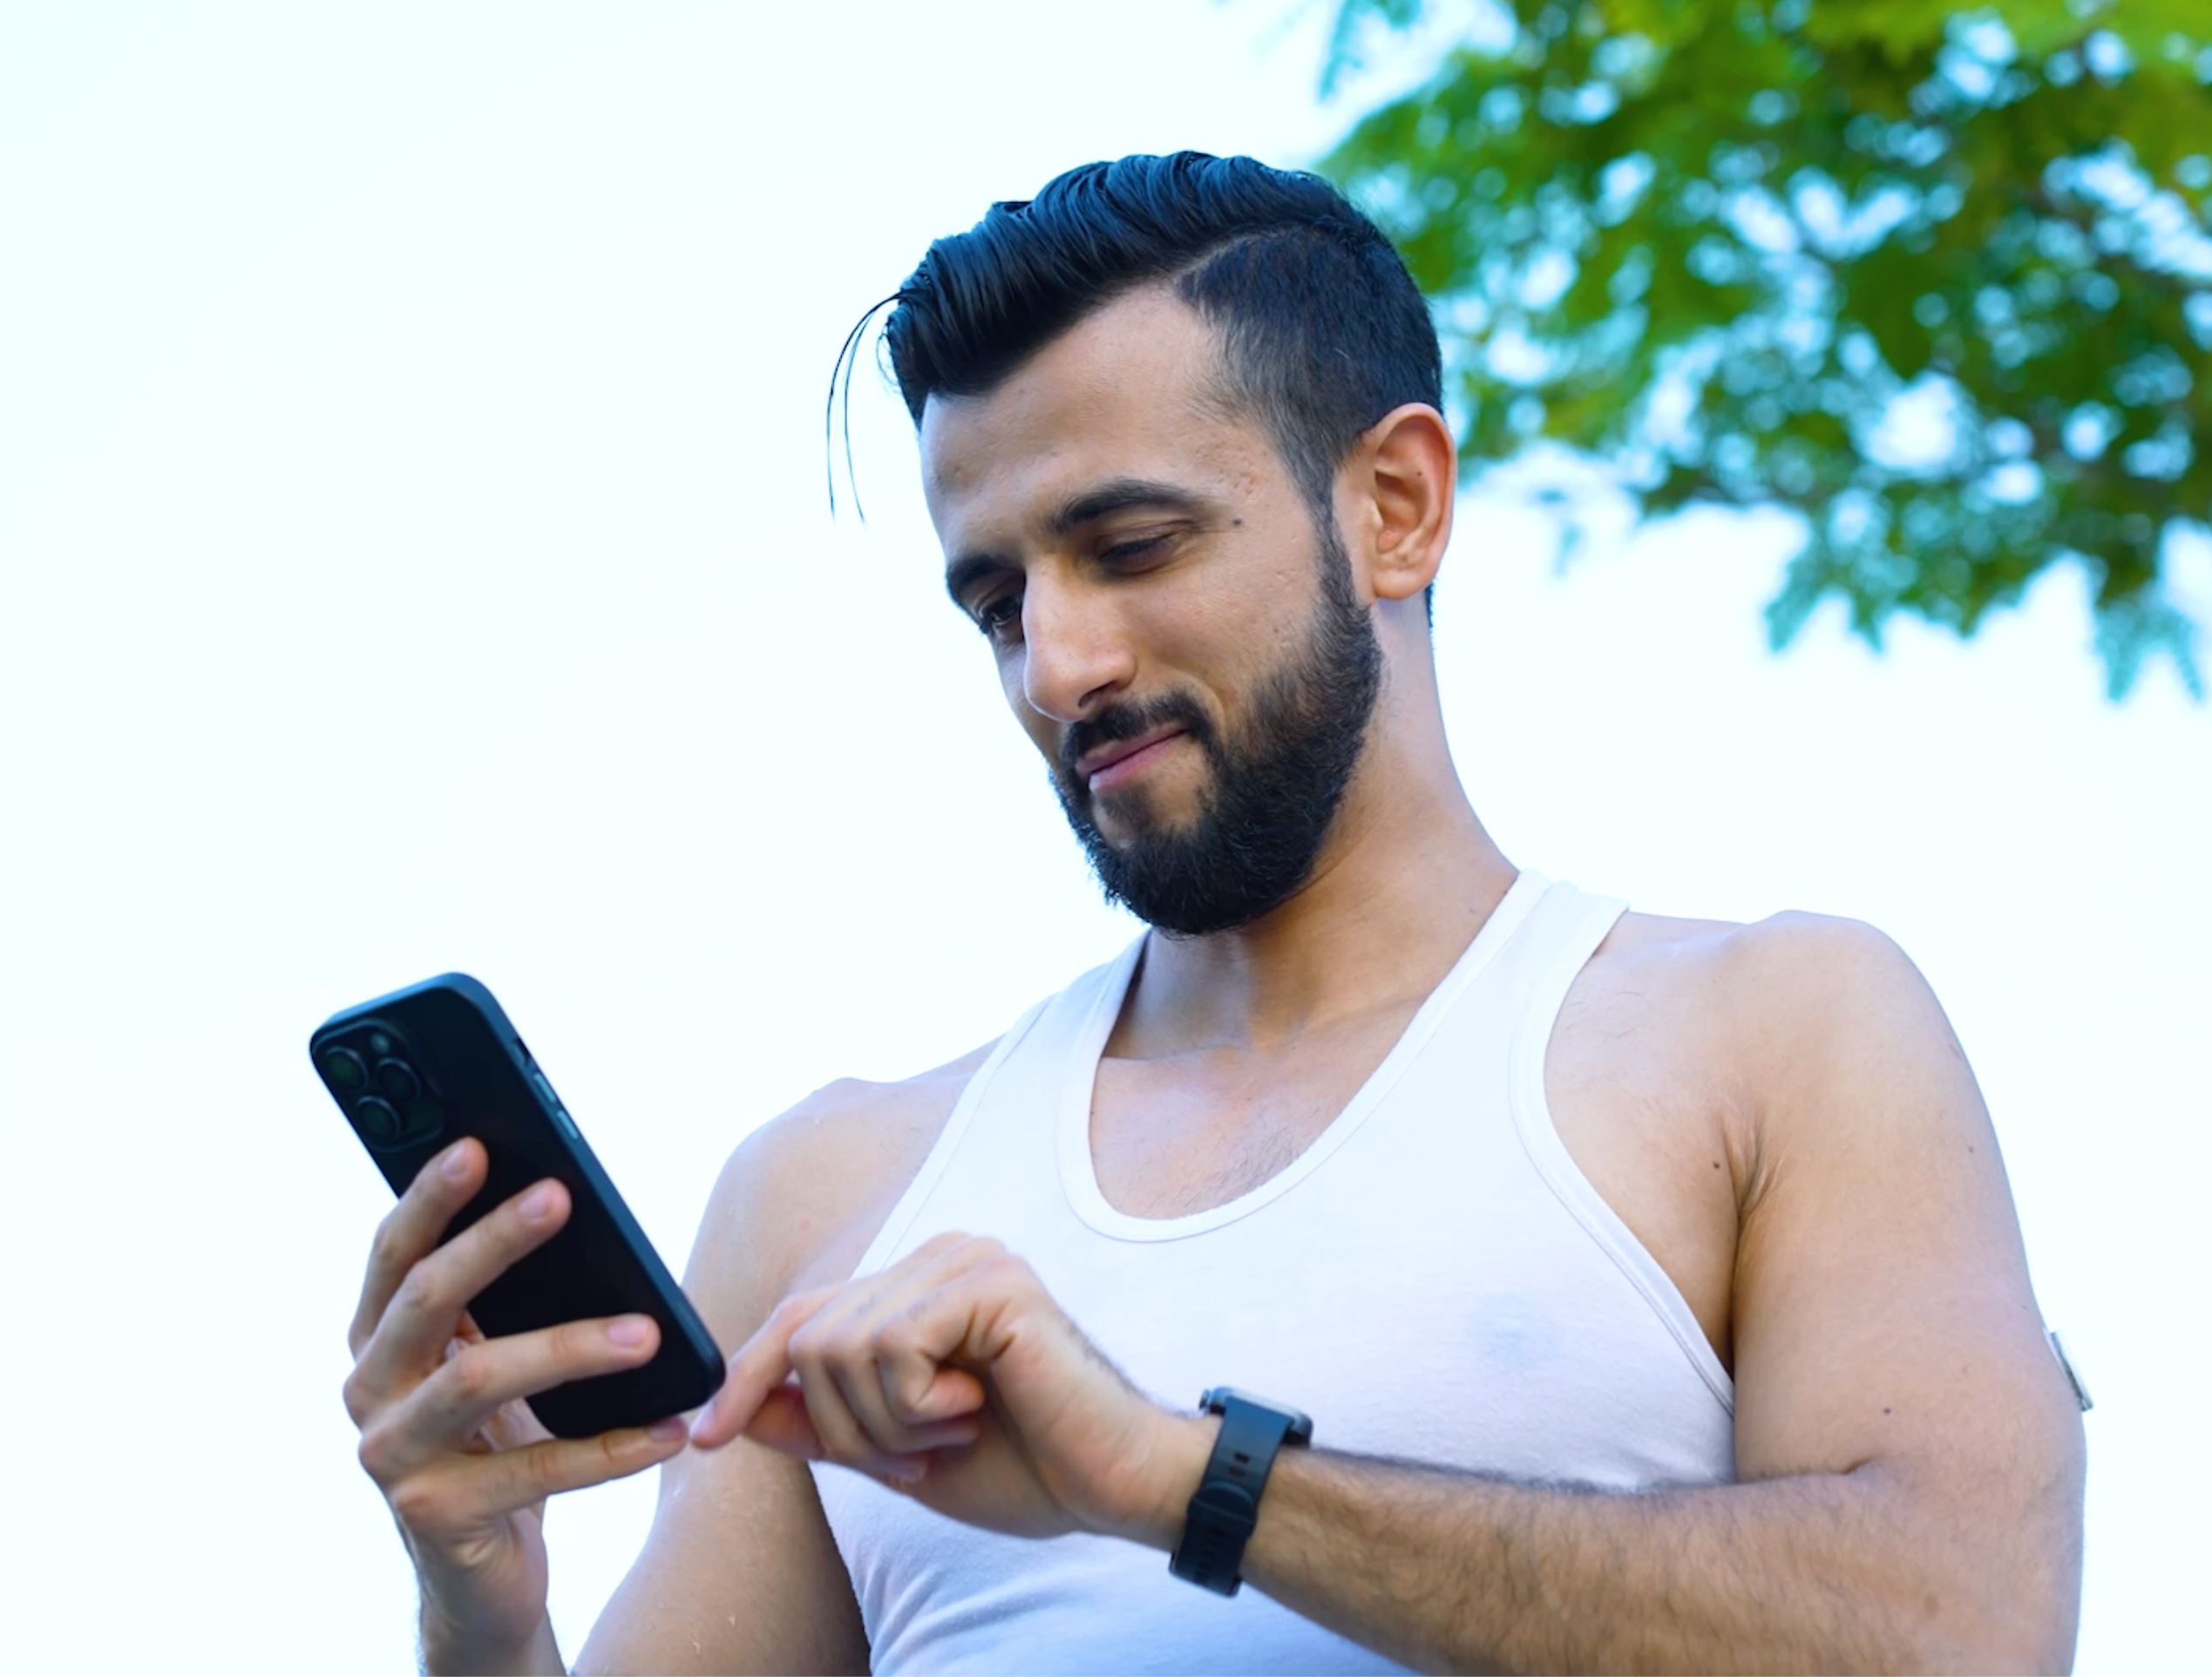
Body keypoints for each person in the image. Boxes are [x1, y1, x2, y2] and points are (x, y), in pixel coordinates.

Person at [340, 153, 2086, 1674]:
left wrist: (1181, 1475)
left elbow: (1960, 1631)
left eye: (1134, 542)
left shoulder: (1770, 1032)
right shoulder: (832, 1191)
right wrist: (479, 1603)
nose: (1059, 662)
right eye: (996, 599)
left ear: (1394, 505)